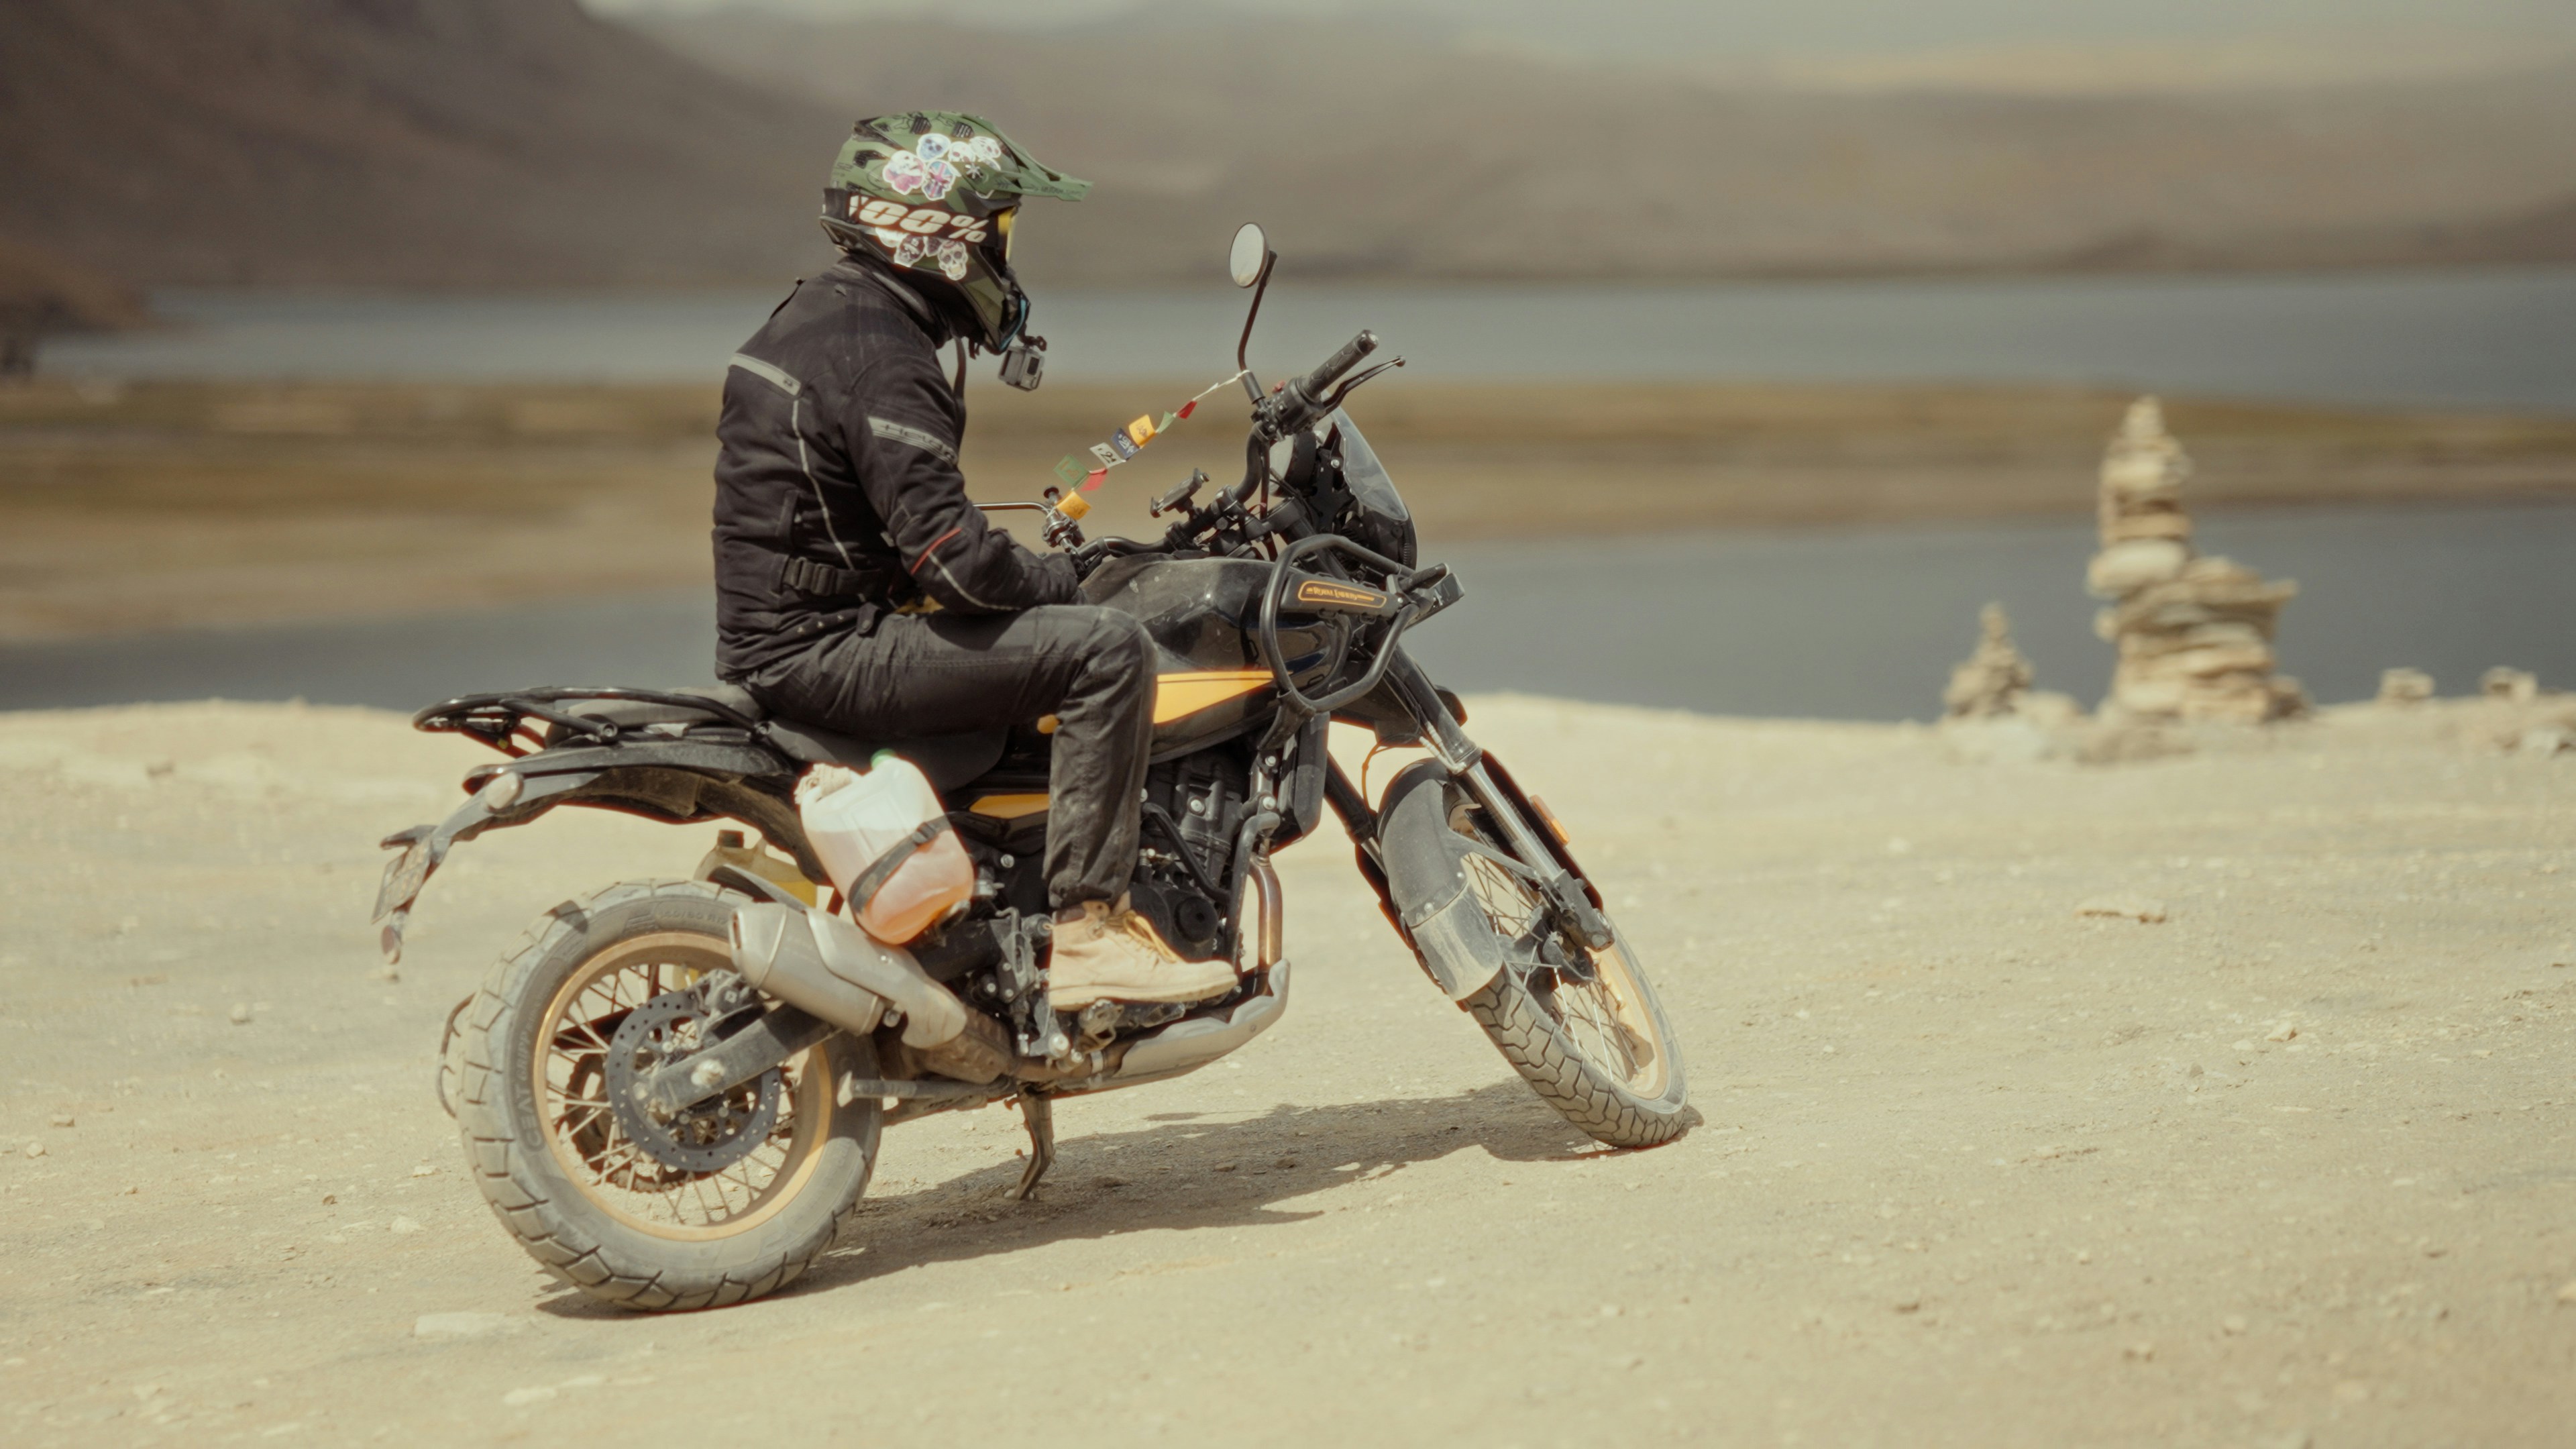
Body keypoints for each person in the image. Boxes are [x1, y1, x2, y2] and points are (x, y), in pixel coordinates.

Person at [710, 111, 1233, 1010]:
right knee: (1104, 649)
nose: (1004, 253)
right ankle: (1088, 933)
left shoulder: (823, 316)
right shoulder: (881, 353)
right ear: (939, 233)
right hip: (822, 648)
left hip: (799, 632)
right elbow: (953, 559)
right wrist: (1063, 579)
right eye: (998, 230)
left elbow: (882, 529)